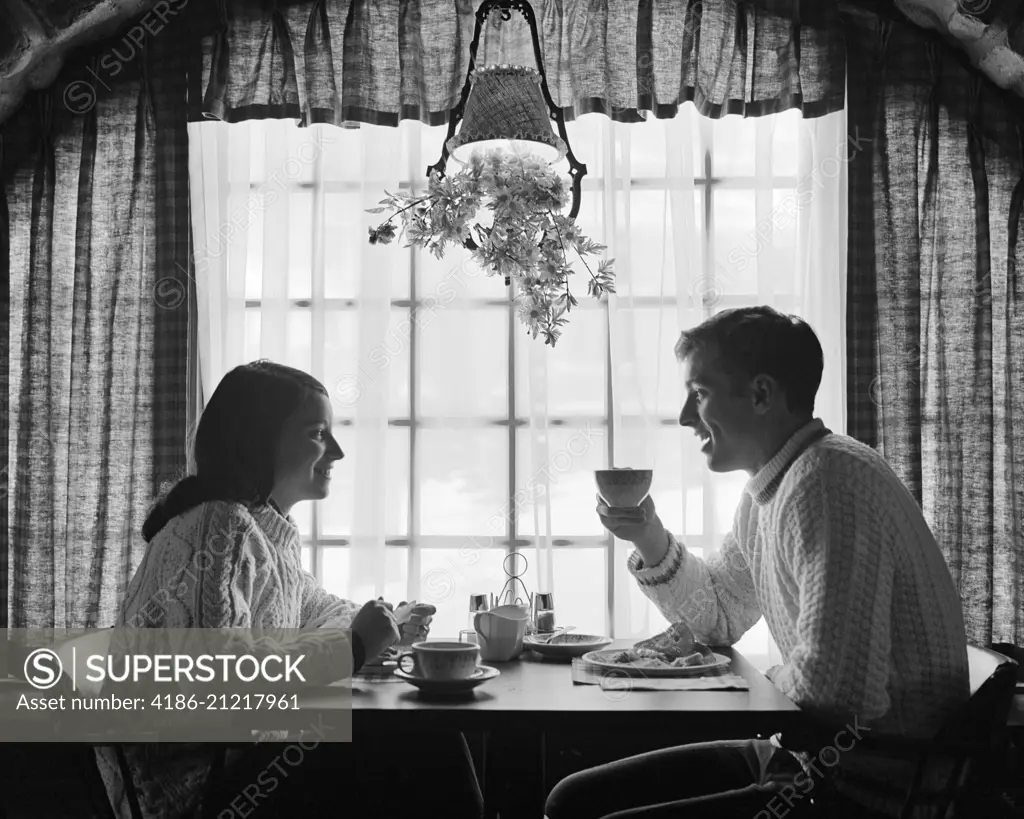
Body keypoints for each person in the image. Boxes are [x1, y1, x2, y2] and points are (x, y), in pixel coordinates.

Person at [545, 307, 970, 819]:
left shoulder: (827, 483)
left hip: (868, 791)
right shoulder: (773, 489)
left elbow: (840, 693)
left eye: (699, 393)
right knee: (572, 799)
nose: (684, 416)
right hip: (811, 763)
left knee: (582, 810)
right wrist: (647, 535)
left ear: (761, 395)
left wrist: (757, 685)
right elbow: (720, 616)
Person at [94, 360, 484, 819]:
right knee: (428, 746)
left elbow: (316, 609)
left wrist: (388, 623)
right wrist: (355, 645)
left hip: (238, 768)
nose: (336, 451)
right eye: (318, 432)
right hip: (198, 795)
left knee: (425, 742)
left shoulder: (262, 531)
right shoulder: (219, 527)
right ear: (260, 439)